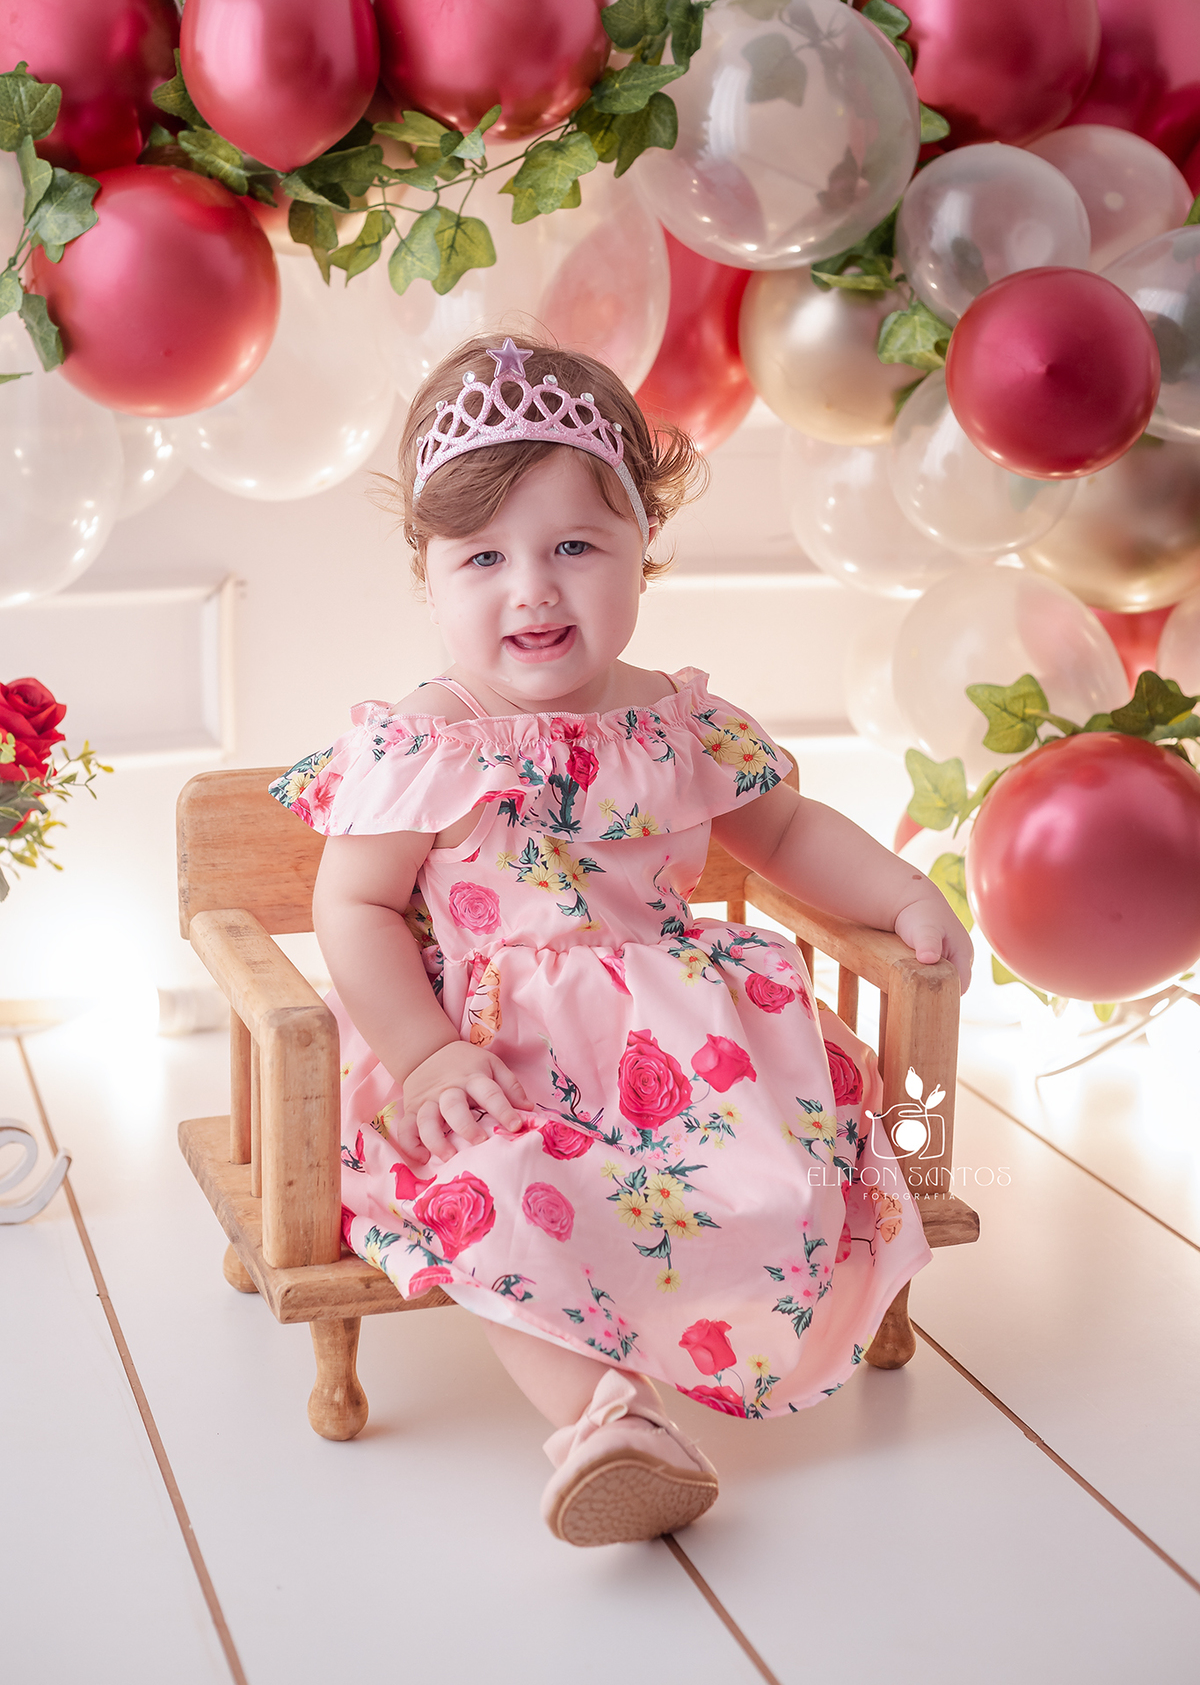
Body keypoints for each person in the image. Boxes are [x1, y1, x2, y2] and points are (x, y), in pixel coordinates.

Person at [271, 335, 972, 1548]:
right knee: (493, 1191)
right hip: (492, 1055)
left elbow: (783, 830)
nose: (532, 590)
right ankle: (609, 1422)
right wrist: (425, 1055)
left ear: (643, 547)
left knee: (776, 1175)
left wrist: (902, 889)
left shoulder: (675, 722)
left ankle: (691, 1352)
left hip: (684, 1054)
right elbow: (357, 907)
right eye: (484, 557)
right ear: (428, 576)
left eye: (574, 548)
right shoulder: (434, 741)